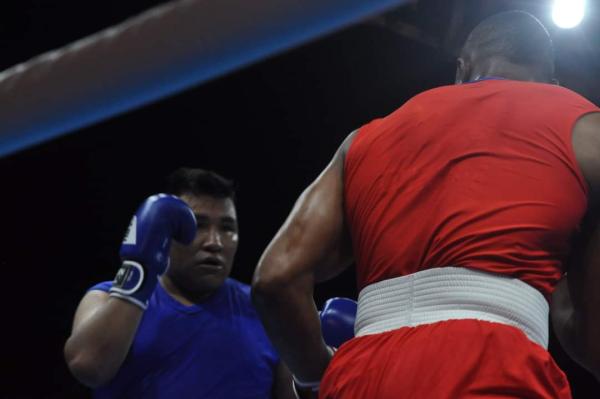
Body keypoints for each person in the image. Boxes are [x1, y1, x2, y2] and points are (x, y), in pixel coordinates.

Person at [252, 10, 600, 398]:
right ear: (552, 84)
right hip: (496, 367)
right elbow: (591, 337)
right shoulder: (586, 129)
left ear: (461, 70)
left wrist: (316, 375)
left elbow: (275, 279)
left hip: (362, 376)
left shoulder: (361, 141)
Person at [64, 168, 296, 398]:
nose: (214, 242)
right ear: (166, 229)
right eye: (198, 225)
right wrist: (139, 268)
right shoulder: (106, 298)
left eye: (227, 228)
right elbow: (88, 367)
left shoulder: (265, 311)